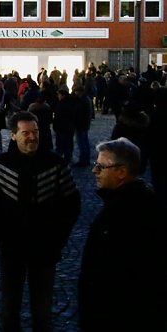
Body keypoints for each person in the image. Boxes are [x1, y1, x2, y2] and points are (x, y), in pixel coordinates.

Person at [0, 111, 81, 331]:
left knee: (43, 311)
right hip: (10, 245)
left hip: (45, 247)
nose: (32, 137)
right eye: (26, 133)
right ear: (14, 135)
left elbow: (72, 204)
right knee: (9, 308)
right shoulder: (1, 164)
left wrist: (58, 238)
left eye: (35, 132)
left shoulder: (55, 164)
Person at [78, 138, 167, 331]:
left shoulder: (126, 213)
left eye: (101, 167)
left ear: (121, 172)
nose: (94, 171)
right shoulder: (137, 202)